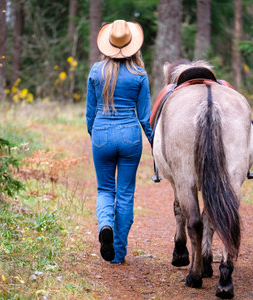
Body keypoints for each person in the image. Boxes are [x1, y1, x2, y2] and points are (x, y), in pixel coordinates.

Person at [86, 20, 153, 264]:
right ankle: (118, 253)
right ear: (132, 46)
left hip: (102, 133)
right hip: (129, 136)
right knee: (124, 195)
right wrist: (155, 144)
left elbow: (90, 113)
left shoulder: (96, 71)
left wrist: (96, 137)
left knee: (105, 189)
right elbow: (145, 118)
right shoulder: (139, 75)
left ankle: (105, 225)